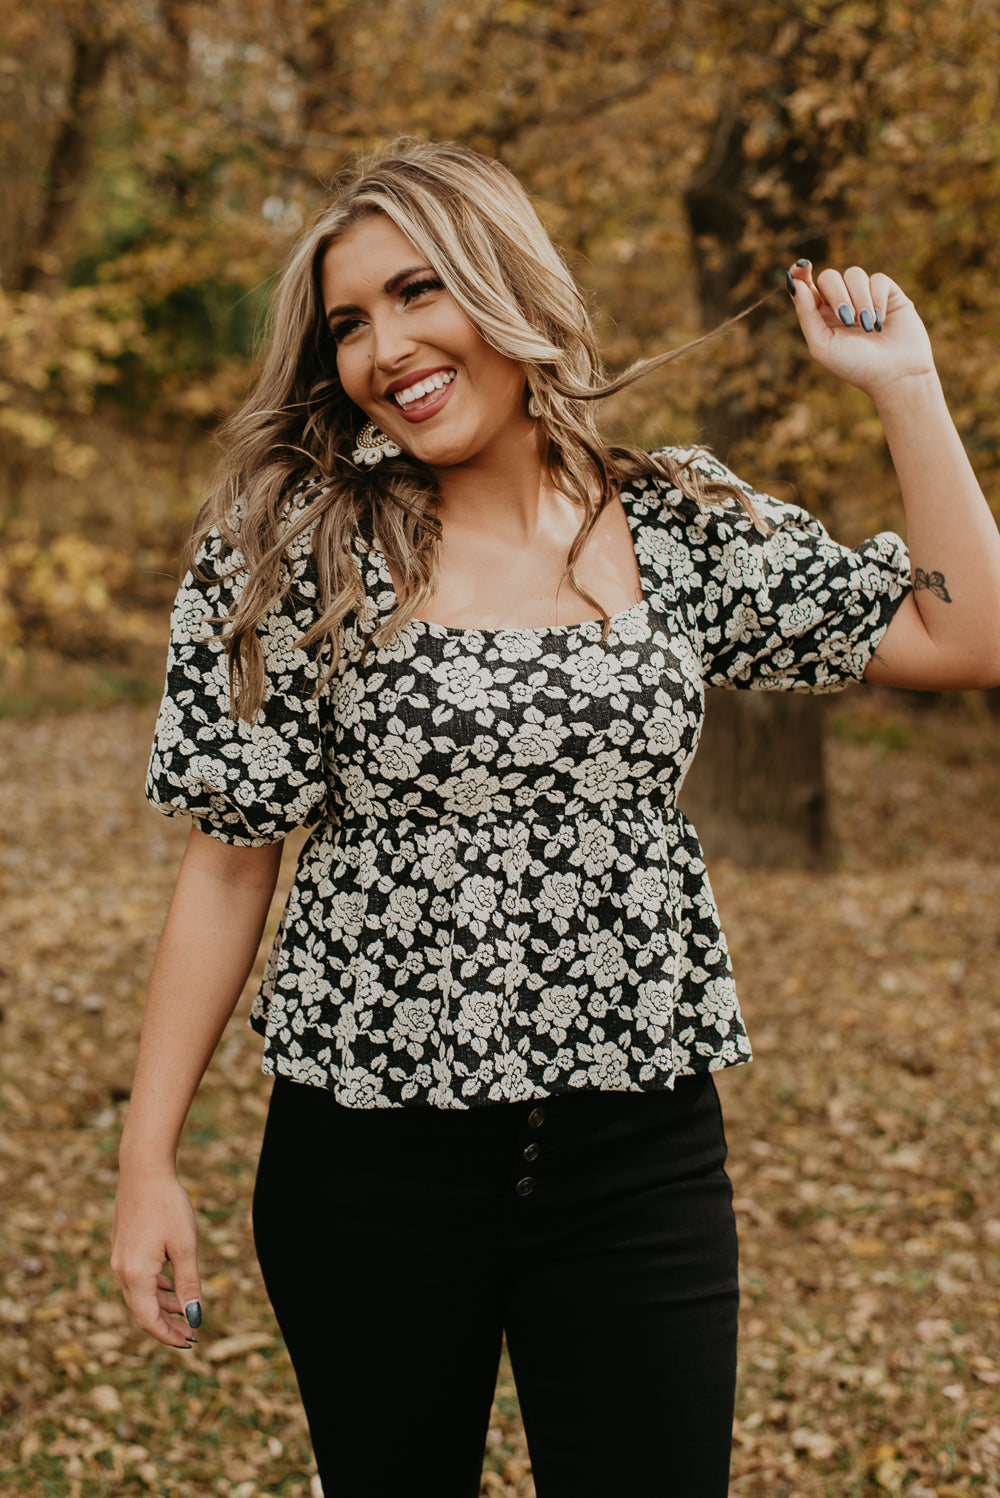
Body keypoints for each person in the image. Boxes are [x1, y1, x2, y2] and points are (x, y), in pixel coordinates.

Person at [110, 138, 1000, 1498]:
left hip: (637, 1162)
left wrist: (906, 387)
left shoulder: (678, 522)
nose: (385, 349)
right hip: (370, 1169)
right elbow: (230, 866)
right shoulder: (296, 547)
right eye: (349, 323)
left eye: (419, 291)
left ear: (506, 284)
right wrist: (148, 1162)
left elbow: (968, 633)